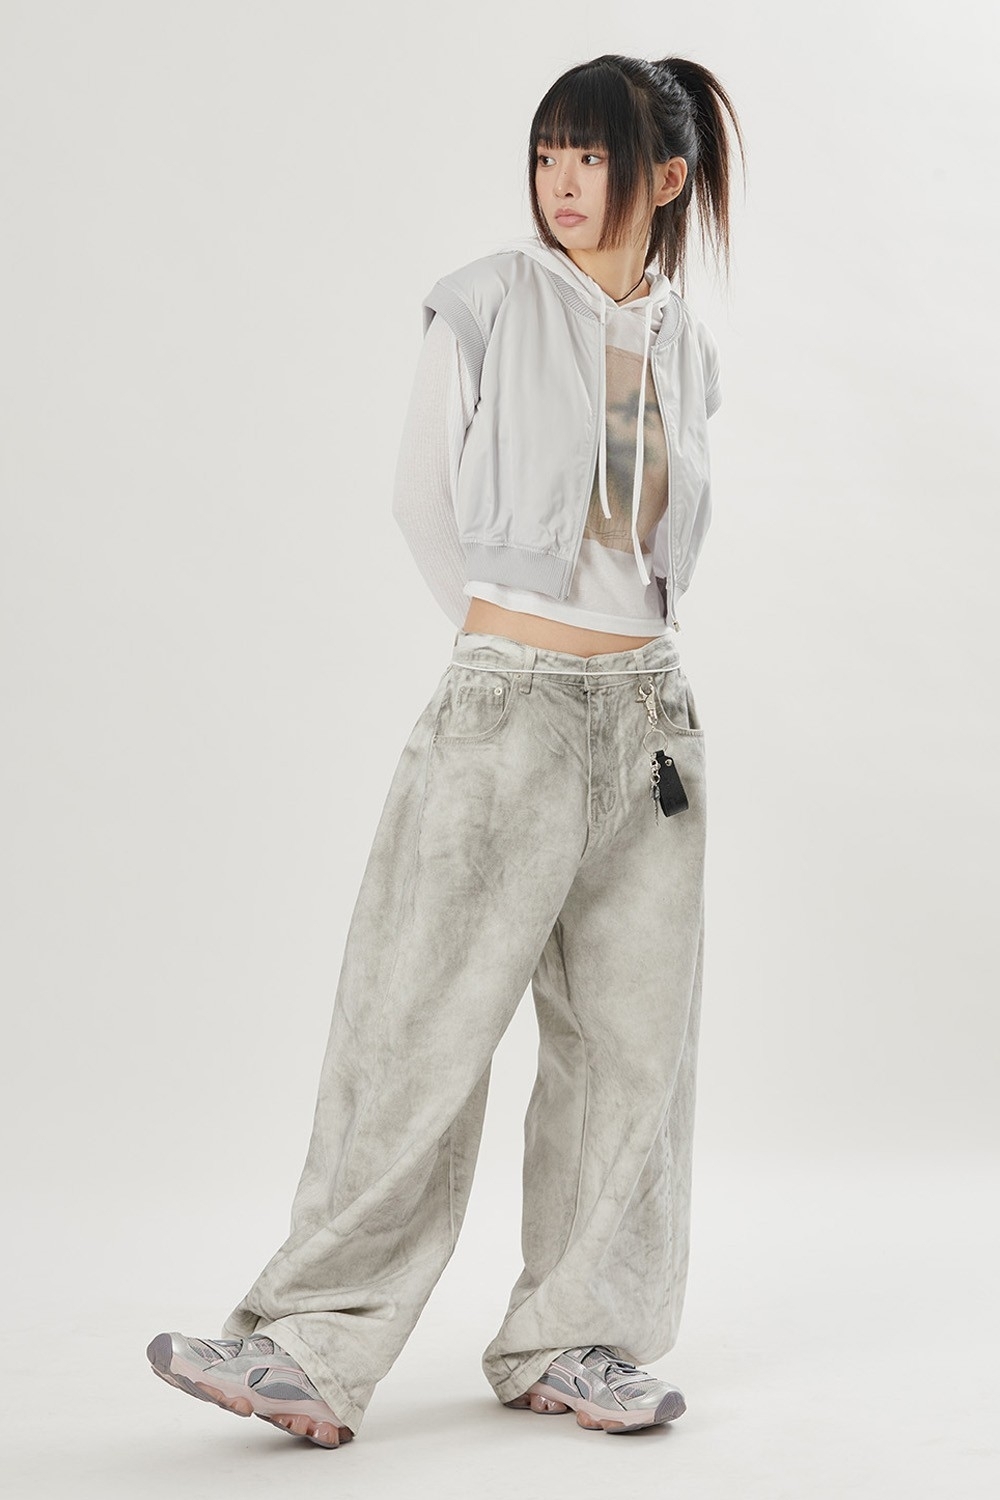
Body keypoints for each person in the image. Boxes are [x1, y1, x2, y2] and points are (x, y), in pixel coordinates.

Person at [146, 51, 745, 1449]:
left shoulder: (685, 346)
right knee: (416, 1028)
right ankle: (308, 1341)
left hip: (651, 723)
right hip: (508, 706)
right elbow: (422, 502)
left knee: (631, 1056)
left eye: (592, 157)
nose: (562, 183)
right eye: (546, 153)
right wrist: (505, 656)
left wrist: (604, 662)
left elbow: (651, 546)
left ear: (664, 179)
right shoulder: (483, 301)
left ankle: (578, 1340)